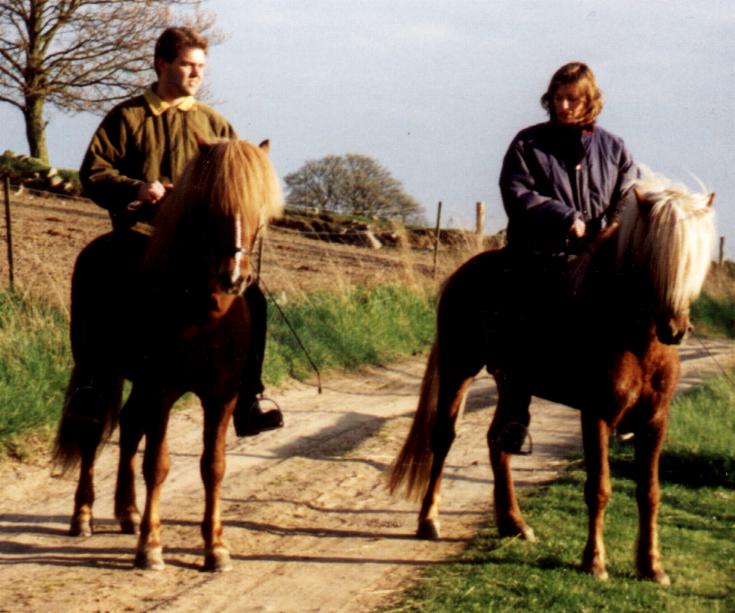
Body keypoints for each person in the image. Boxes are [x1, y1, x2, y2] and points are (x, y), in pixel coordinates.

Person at [79, 26, 283, 436]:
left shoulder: (215, 124)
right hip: (141, 234)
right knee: (100, 274)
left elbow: (237, 184)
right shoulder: (129, 116)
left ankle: (248, 397)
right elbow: (94, 172)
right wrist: (136, 187)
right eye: (187, 64)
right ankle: (89, 386)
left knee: (255, 298)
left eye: (201, 67)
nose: (195, 74)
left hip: (200, 249)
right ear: (162, 63)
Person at [499, 61, 638, 257]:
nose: (563, 106)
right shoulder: (527, 144)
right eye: (558, 98)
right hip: (538, 262)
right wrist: (565, 218)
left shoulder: (615, 148)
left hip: (596, 261)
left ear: (589, 100)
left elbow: (630, 194)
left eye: (572, 99)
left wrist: (613, 225)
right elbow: (517, 194)